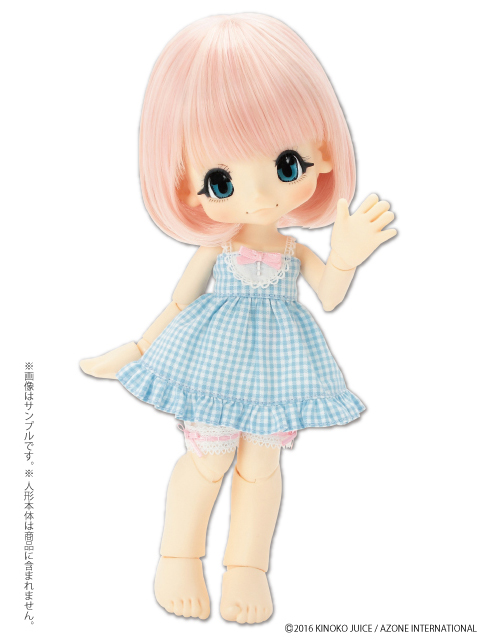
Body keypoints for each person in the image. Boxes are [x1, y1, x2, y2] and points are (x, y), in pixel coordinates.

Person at [80, 13, 396, 624]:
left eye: (285, 164)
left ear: (322, 156)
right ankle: (177, 558)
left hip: (278, 369)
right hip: (213, 362)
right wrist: (139, 349)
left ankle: (247, 569)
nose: (256, 194)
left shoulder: (294, 251)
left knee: (263, 466)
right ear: (187, 188)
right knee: (208, 458)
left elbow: (330, 295)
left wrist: (346, 257)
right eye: (221, 180)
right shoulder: (217, 248)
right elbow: (179, 303)